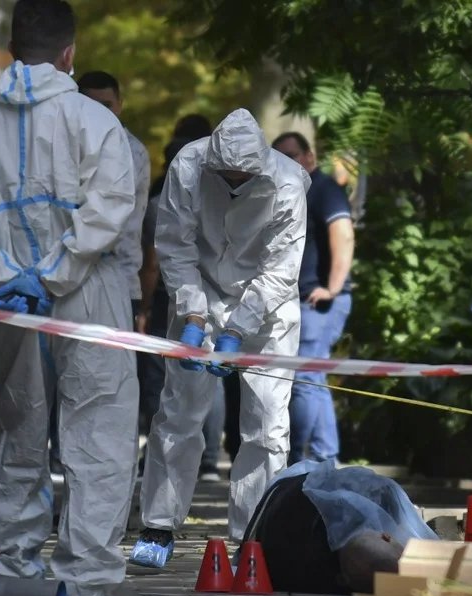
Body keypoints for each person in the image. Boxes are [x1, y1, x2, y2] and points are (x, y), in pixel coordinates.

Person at [0, 0, 138, 596]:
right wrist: (57, 273)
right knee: (99, 430)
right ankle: (87, 589)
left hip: (11, 303)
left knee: (18, 427)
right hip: (89, 295)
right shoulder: (95, 122)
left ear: (10, 49)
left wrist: (4, 279)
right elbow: (110, 207)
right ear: (69, 53)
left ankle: (17, 571)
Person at [131, 108, 310, 567]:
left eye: (242, 178)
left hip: (267, 310)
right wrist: (193, 313)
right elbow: (175, 244)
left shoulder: (288, 182)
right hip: (201, 292)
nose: (233, 184)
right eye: (226, 176)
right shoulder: (189, 166)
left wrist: (235, 331)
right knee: (178, 413)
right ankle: (158, 525)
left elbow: (280, 270)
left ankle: (254, 536)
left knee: (267, 423)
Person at [137, 115, 226, 481]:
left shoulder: (160, 200)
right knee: (211, 374)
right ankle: (210, 459)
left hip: (170, 300)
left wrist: (144, 307)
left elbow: (153, 262)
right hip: (216, 296)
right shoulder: (224, 197)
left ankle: (168, 456)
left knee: (165, 380)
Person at [270, 132, 355, 465]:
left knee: (305, 378)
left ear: (309, 157)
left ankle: (297, 458)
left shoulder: (323, 189)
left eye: (291, 156)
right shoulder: (289, 192)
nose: (285, 163)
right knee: (312, 377)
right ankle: (324, 456)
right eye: (278, 157)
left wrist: (332, 288)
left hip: (319, 302)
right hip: (302, 301)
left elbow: (343, 235)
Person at [77, 71, 151, 318]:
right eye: (92, 105)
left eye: (107, 105)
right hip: (70, 279)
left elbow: (111, 218)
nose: (100, 112)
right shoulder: (67, 144)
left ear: (120, 105)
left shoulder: (133, 151)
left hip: (121, 278)